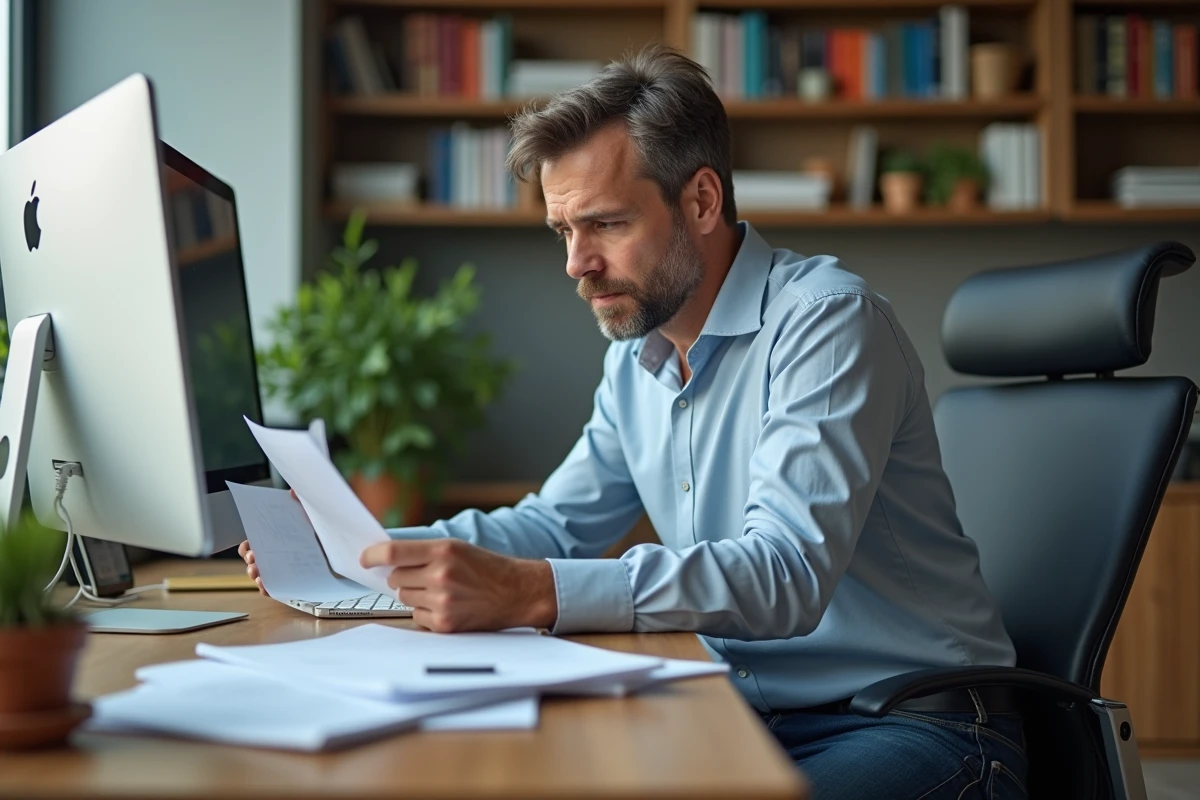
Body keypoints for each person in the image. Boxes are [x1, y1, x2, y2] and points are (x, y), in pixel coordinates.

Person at [240, 44, 1027, 800]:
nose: (576, 264)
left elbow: (784, 574)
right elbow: (555, 525)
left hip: (918, 725)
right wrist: (370, 552)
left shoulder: (825, 323)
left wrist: (533, 593)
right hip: (739, 708)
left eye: (606, 225)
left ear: (702, 200)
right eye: (564, 231)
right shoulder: (637, 354)